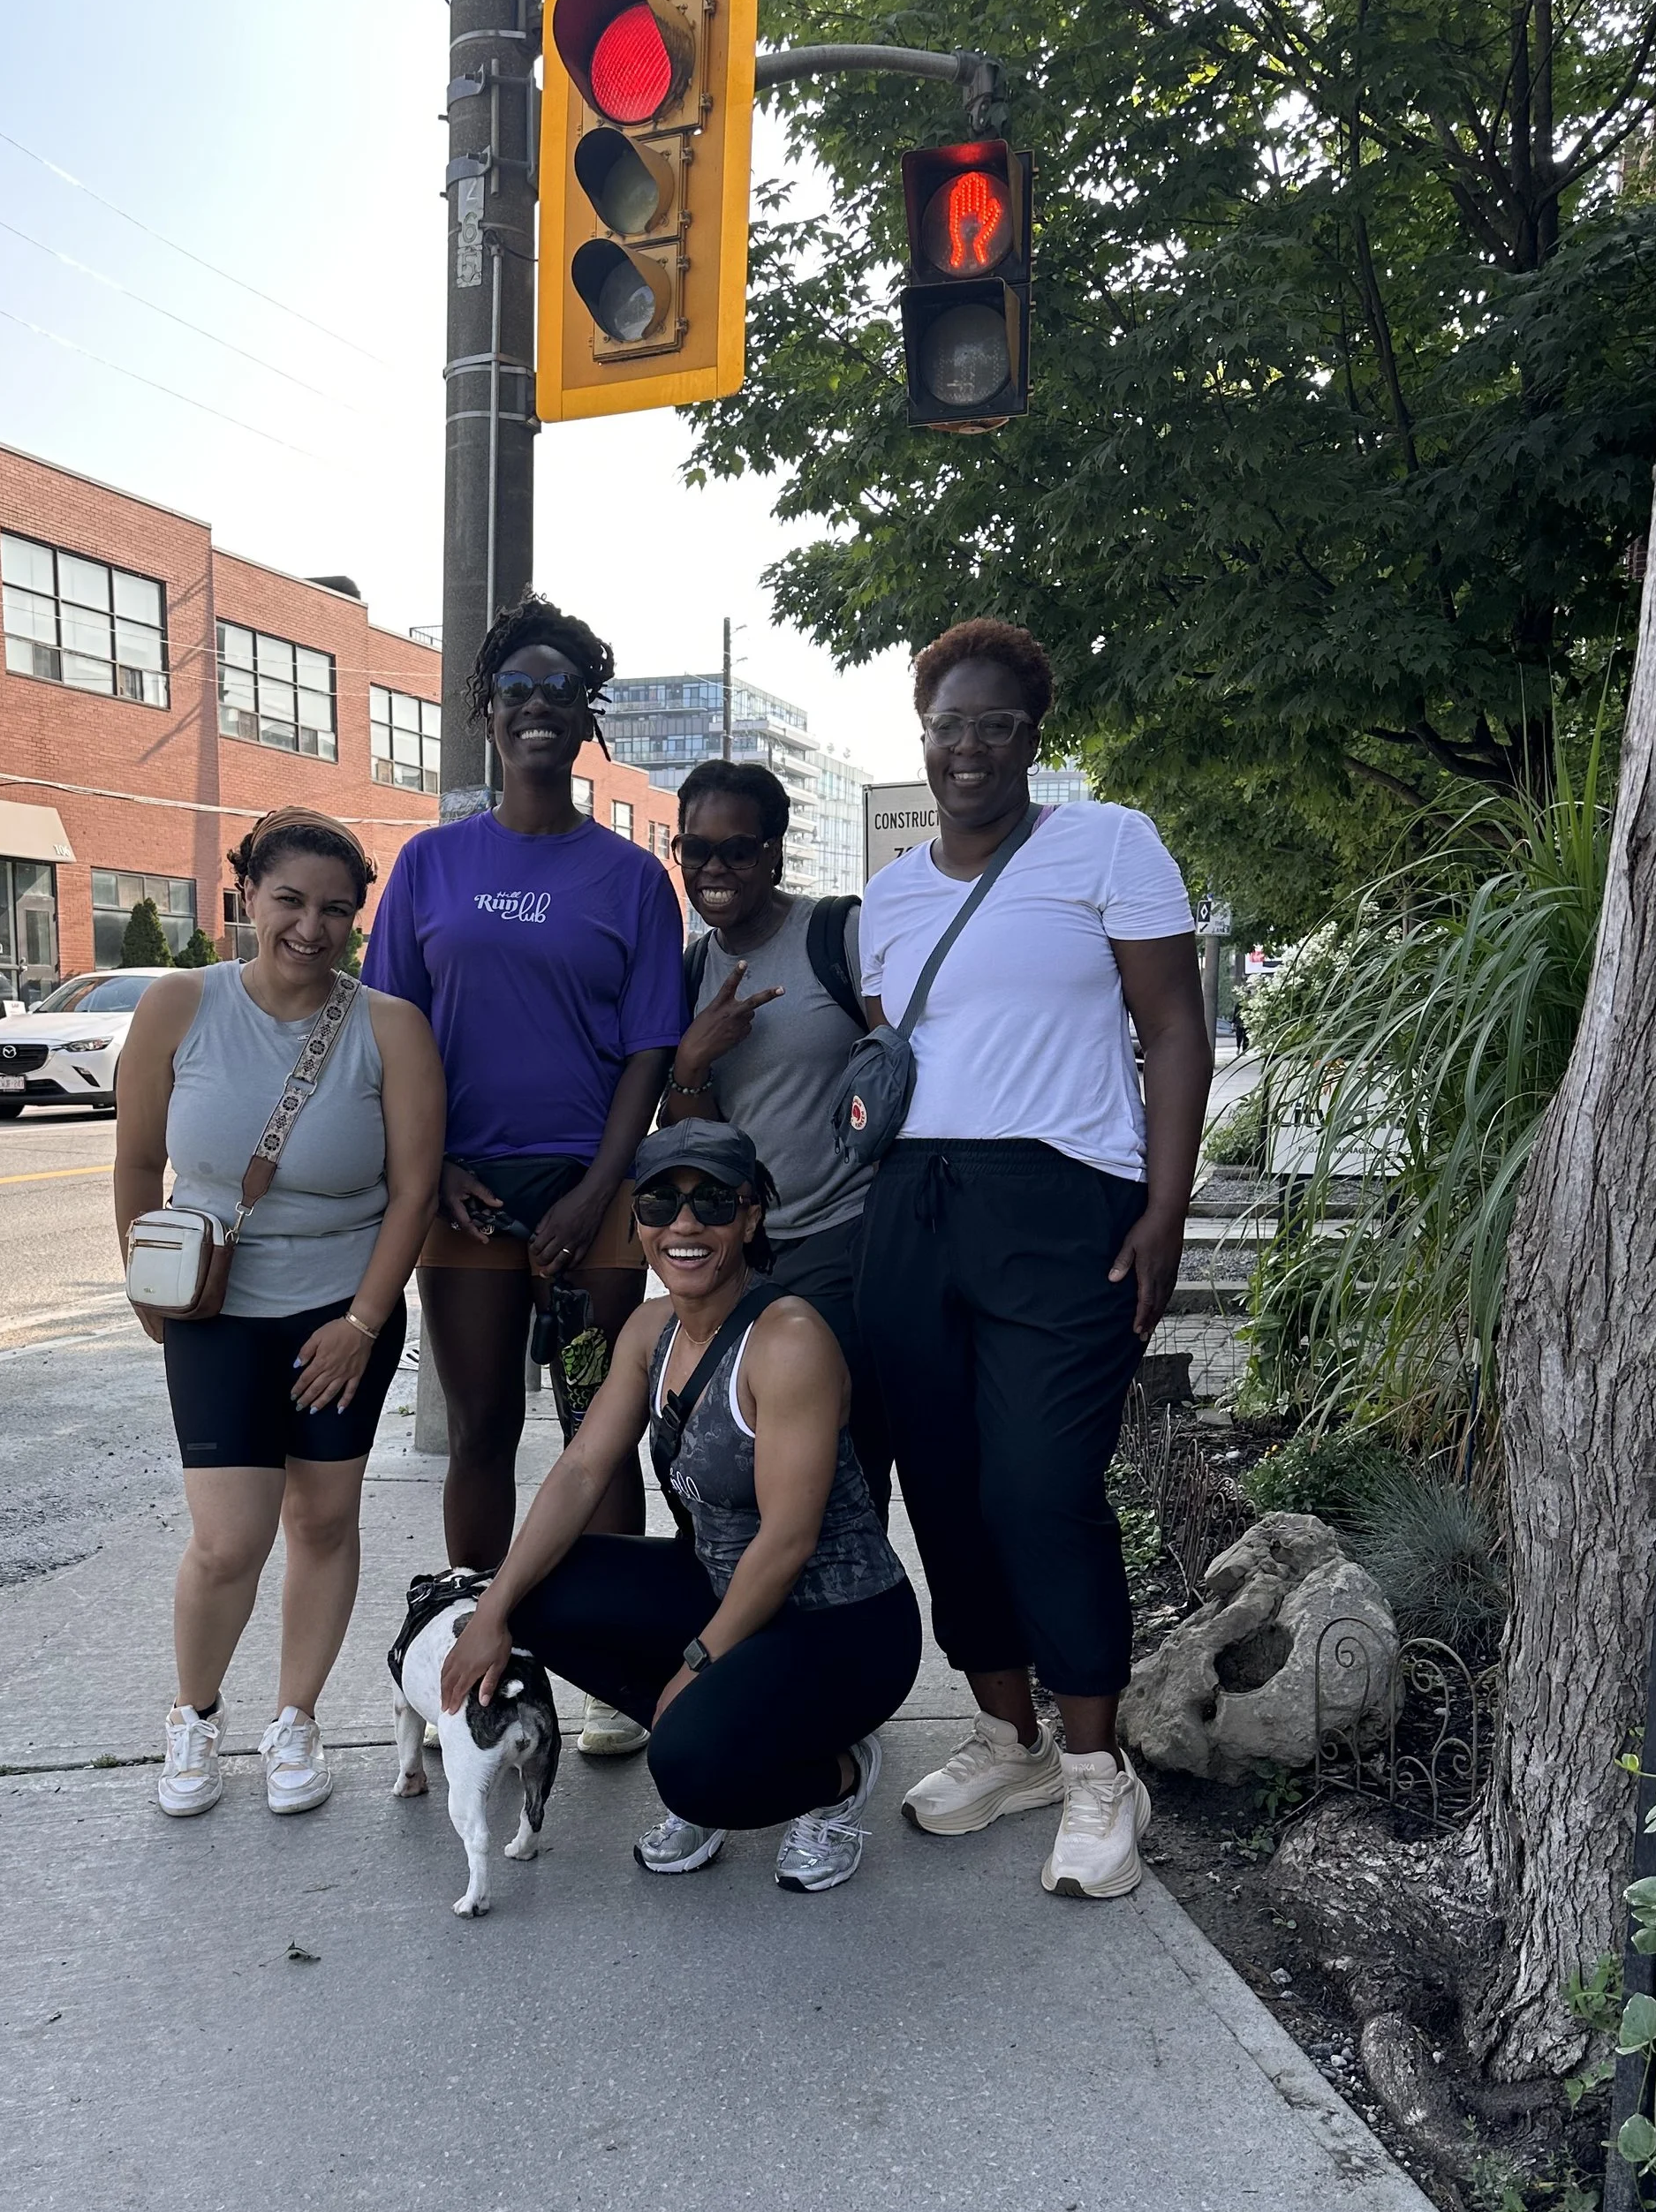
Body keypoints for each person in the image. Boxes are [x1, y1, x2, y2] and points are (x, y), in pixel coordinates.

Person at [855, 619, 1211, 1896]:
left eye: (994, 724)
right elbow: (904, 1061)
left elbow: (1174, 1030)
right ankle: (1007, 1736)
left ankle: (1100, 1771)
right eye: (947, 724)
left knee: (1040, 1490)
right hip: (912, 1208)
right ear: (924, 734)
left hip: (1062, 1208)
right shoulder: (890, 897)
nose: (968, 748)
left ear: (1033, 738)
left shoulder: (1106, 844)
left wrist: (1162, 1209)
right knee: (944, 1488)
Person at [362, 593, 685, 1761]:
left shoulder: (631, 878)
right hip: (465, 1203)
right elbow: (389, 1025)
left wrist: (600, 1193)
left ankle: (608, 1667)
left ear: (584, 713)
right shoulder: (431, 866)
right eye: (516, 693)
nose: (537, 709)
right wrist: (434, 1158)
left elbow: (652, 1046)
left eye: (560, 692)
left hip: (588, 1205)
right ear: (487, 717)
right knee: (484, 1423)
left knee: (595, 1417)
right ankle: (481, 1646)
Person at [441, 1121, 921, 1893]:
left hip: (843, 1623)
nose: (685, 1223)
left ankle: (834, 1776)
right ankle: (722, 1727)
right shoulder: (650, 1329)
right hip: (724, 1589)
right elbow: (580, 1470)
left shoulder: (788, 1339)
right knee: (538, 1592)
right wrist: (495, 1606)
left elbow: (790, 1540)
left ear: (751, 1216)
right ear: (637, 1222)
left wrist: (696, 1665)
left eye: (713, 1202)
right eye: (662, 1201)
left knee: (688, 1769)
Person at [114, 809, 445, 1821]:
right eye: (291, 901)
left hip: (342, 1309)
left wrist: (363, 1318)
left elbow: (415, 1191)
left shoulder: (390, 1026)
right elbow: (135, 1160)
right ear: (246, 895)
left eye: (337, 909)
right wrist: (143, 1278)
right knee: (228, 1540)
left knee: (323, 1518)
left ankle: (295, 1719)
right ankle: (195, 1717)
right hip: (214, 1306)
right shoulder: (179, 1004)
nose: (312, 926)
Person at [658, 759, 889, 1514]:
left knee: (835, 1469)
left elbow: (903, 1062)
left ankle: (849, 1616)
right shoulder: (690, 970)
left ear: (774, 853)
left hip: (843, 1242)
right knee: (732, 1458)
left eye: (738, 849)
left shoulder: (837, 934)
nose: (715, 867)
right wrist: (694, 1058)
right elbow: (690, 1150)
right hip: (735, 1256)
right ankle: (747, 1621)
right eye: (696, 849)